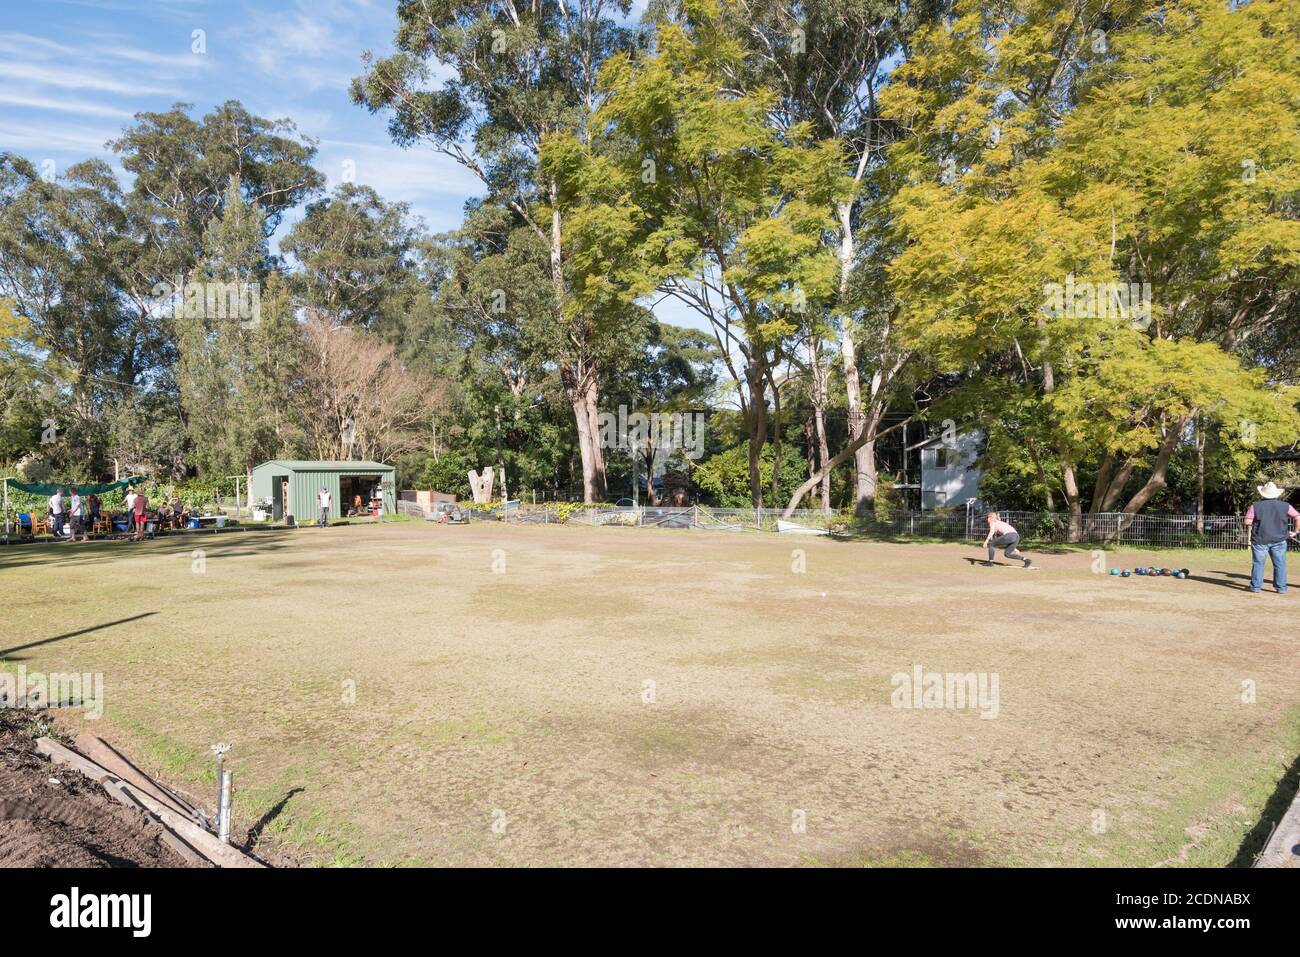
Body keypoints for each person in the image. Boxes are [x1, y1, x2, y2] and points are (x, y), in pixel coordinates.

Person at [1244, 482, 1299, 594]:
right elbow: (1298, 517)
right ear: (1277, 494)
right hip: (1279, 539)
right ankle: (1281, 588)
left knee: (1258, 564)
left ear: (1263, 494)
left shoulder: (1255, 506)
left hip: (1260, 539)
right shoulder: (1286, 506)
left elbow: (1247, 521)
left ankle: (1256, 587)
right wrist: (1296, 531)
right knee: (1280, 564)